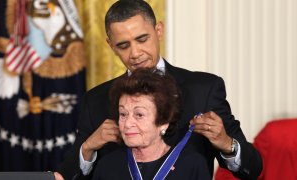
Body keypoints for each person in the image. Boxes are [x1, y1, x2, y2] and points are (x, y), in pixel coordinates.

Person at [55, 0, 262, 179]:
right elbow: (66, 176)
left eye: (142, 39)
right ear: (111, 46)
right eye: (123, 45)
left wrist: (227, 143)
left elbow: (253, 169)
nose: (135, 53)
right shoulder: (96, 99)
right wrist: (89, 146)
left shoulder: (204, 89)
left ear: (159, 30)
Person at [92, 68, 211, 179]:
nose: (127, 123)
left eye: (139, 115)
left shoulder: (192, 165)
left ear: (164, 121)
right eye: (123, 114)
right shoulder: (107, 165)